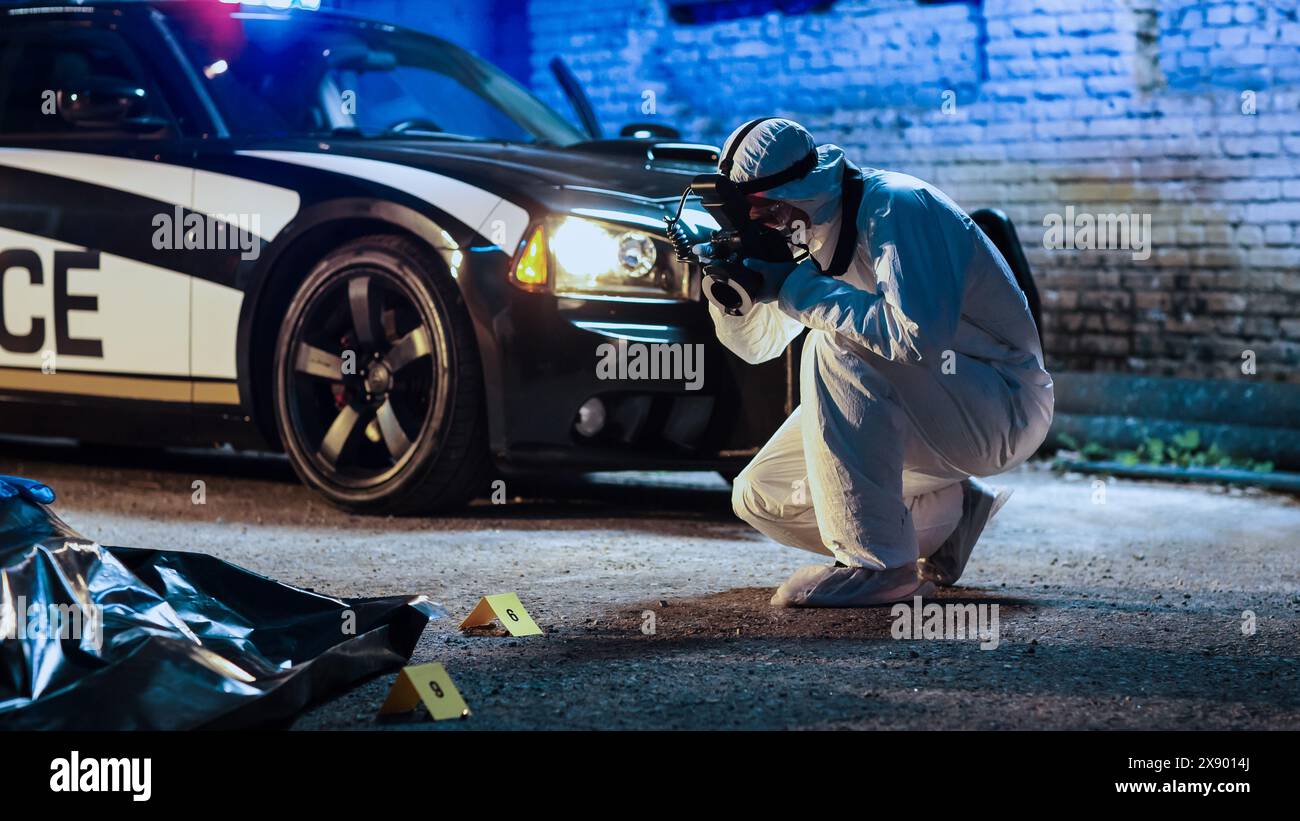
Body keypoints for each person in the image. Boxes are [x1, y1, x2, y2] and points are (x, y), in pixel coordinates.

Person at [702, 118, 1054, 607]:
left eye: (761, 210)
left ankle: (882, 567)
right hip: (936, 413)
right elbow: (760, 347)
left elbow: (916, 338)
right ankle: (954, 513)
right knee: (763, 496)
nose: (762, 223)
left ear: (791, 192)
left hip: (1000, 404)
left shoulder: (898, 207)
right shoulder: (810, 227)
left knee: (832, 344)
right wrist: (736, 292)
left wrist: (795, 287)